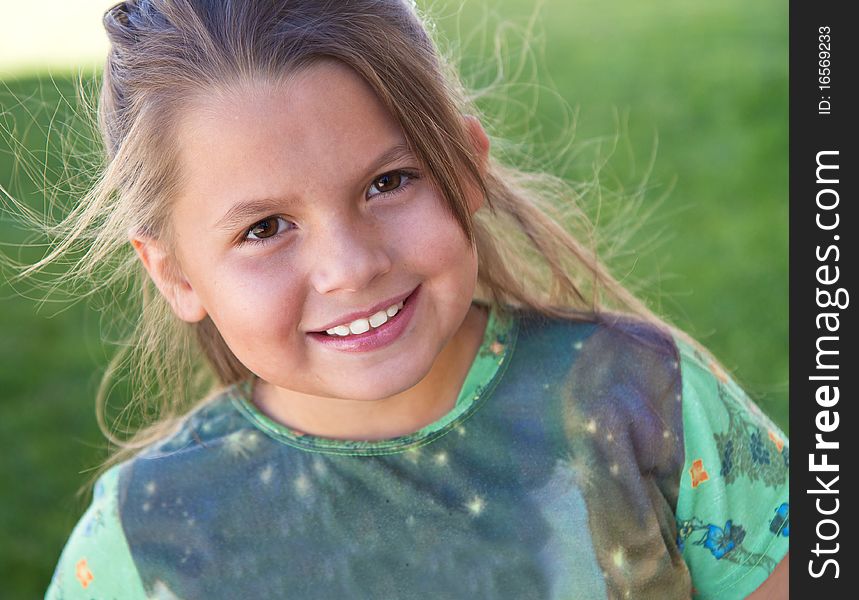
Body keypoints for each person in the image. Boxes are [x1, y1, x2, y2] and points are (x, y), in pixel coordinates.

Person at [27, 1, 786, 598]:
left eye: (387, 183)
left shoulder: (642, 398)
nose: (350, 268)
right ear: (177, 276)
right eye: (265, 228)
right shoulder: (144, 532)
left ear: (465, 167)